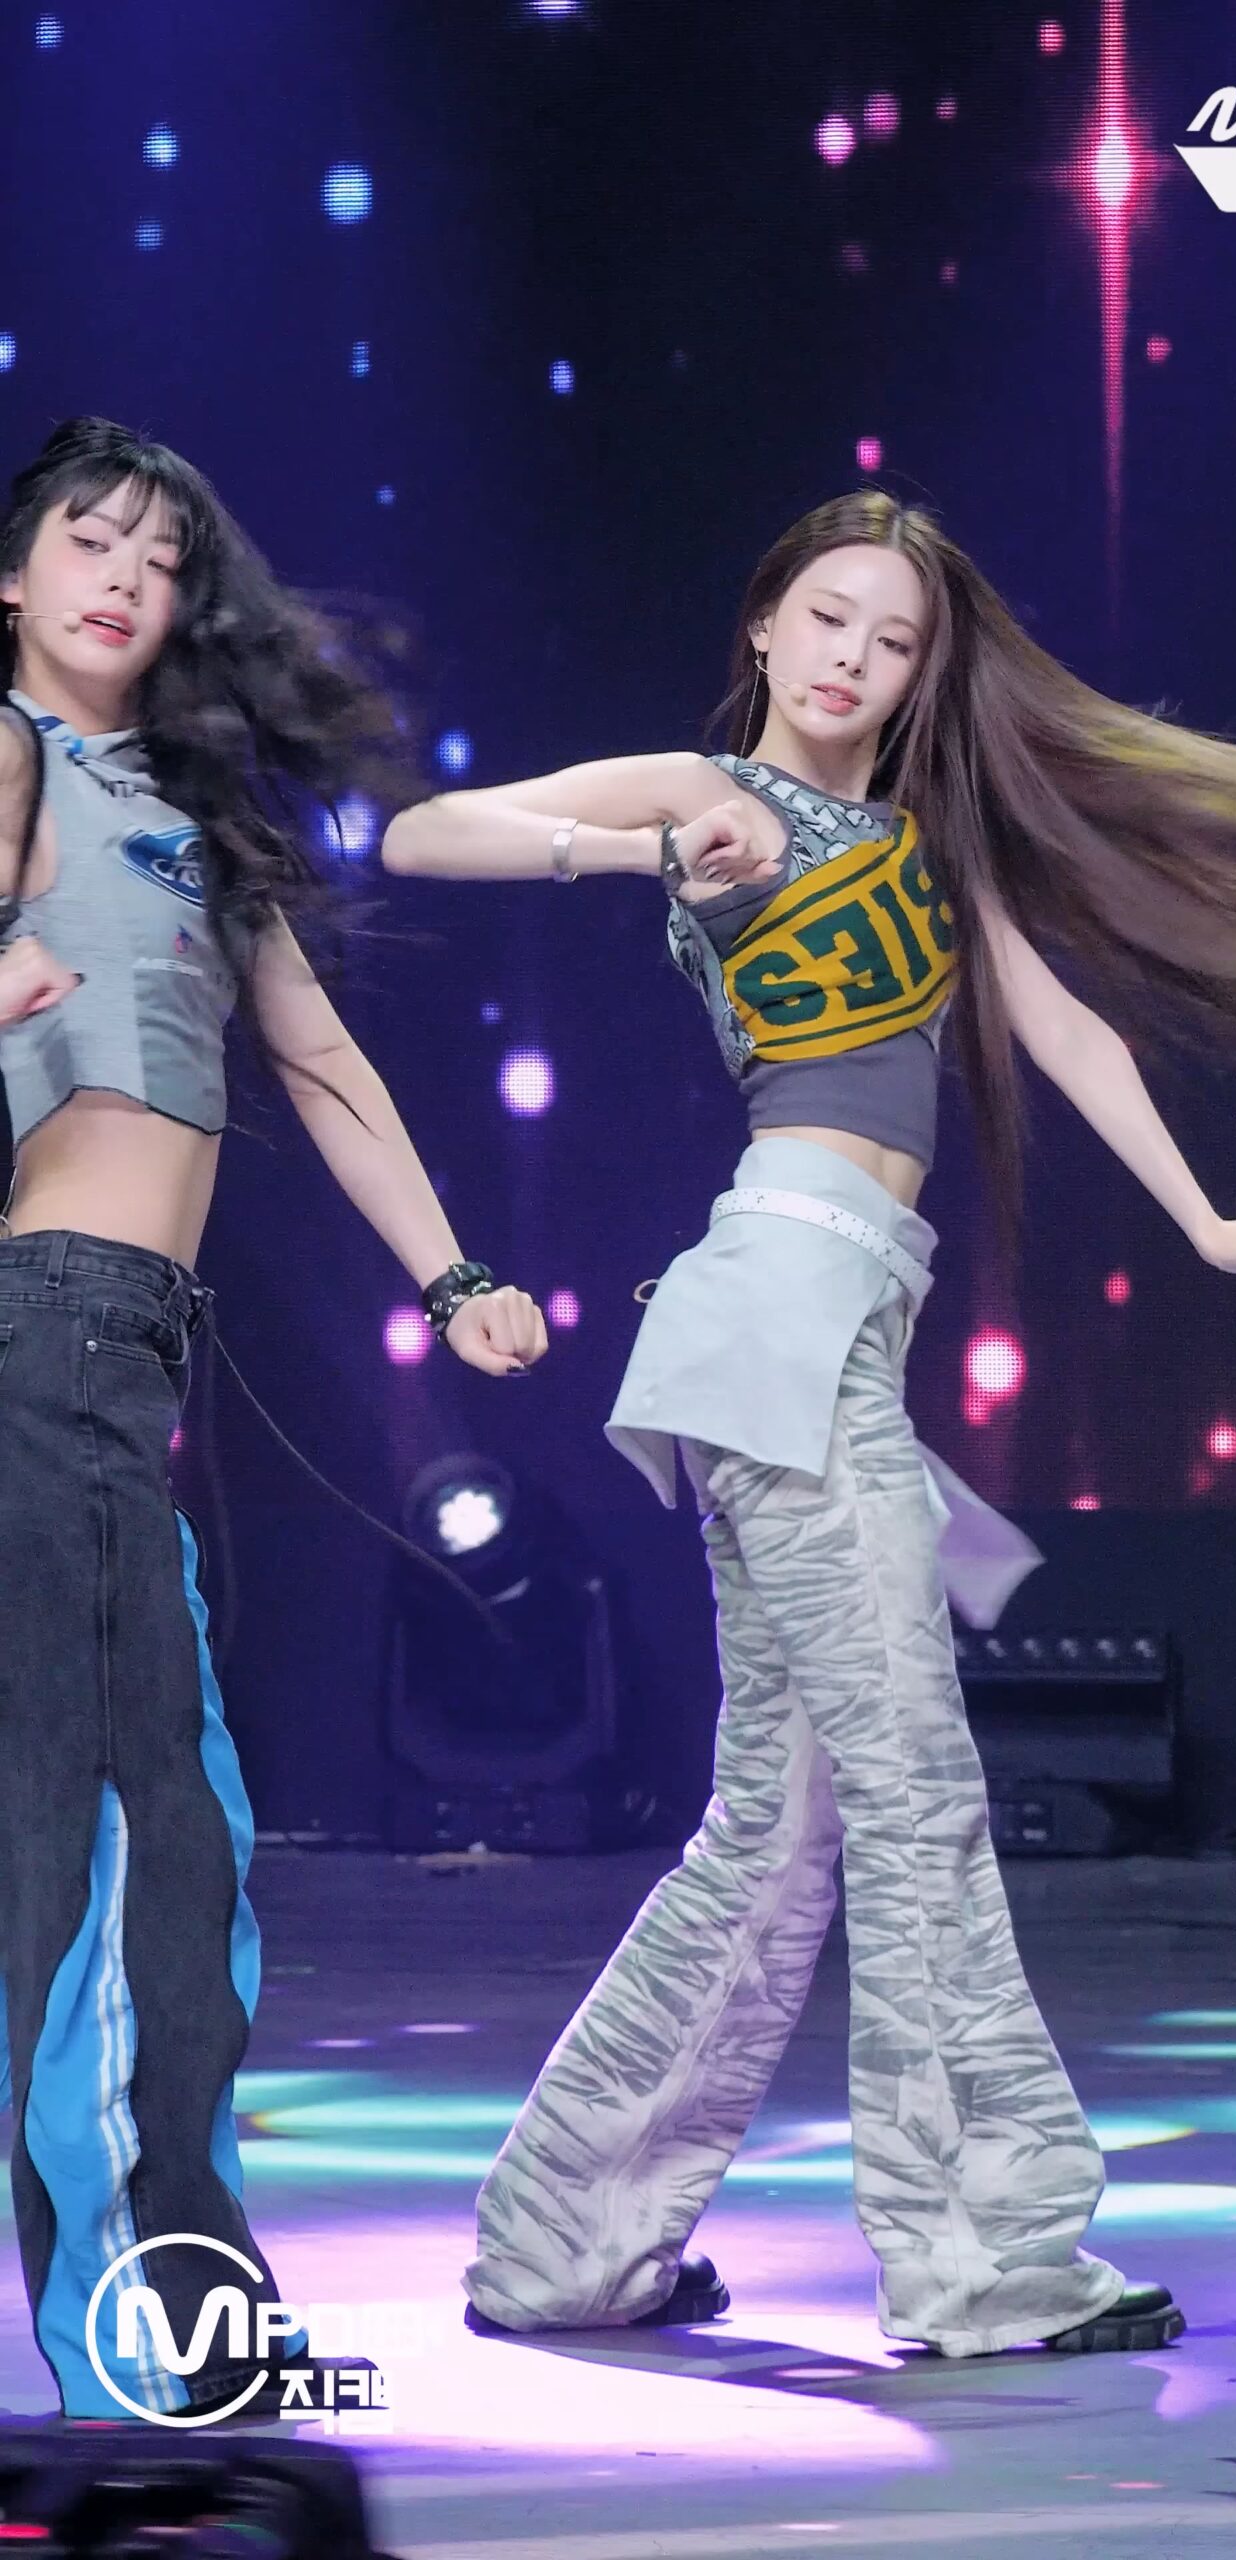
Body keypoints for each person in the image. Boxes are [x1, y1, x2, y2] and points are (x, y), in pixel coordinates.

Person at [382, 488, 1236, 2360]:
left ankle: (564, 2243)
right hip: (778, 1312)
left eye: (898, 638)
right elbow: (422, 831)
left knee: (778, 1828)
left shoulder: (922, 844)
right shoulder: (717, 793)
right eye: (831, 618)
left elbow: (1067, 1032)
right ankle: (985, 2258)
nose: (857, 657)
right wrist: (641, 851)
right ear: (767, 625)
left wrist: (1208, 1222)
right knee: (913, 1796)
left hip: (835, 1319)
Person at [0, 416, 547, 2421]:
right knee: (142, 1843)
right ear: (11, 571)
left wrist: (456, 1277)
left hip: (116, 1353)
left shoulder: (183, 810)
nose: (124, 580)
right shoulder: (6, 752)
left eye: (160, 557)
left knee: (149, 1831)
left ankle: (160, 2320)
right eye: (87, 539)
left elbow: (317, 1065)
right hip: (46, 1332)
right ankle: (156, 2335)